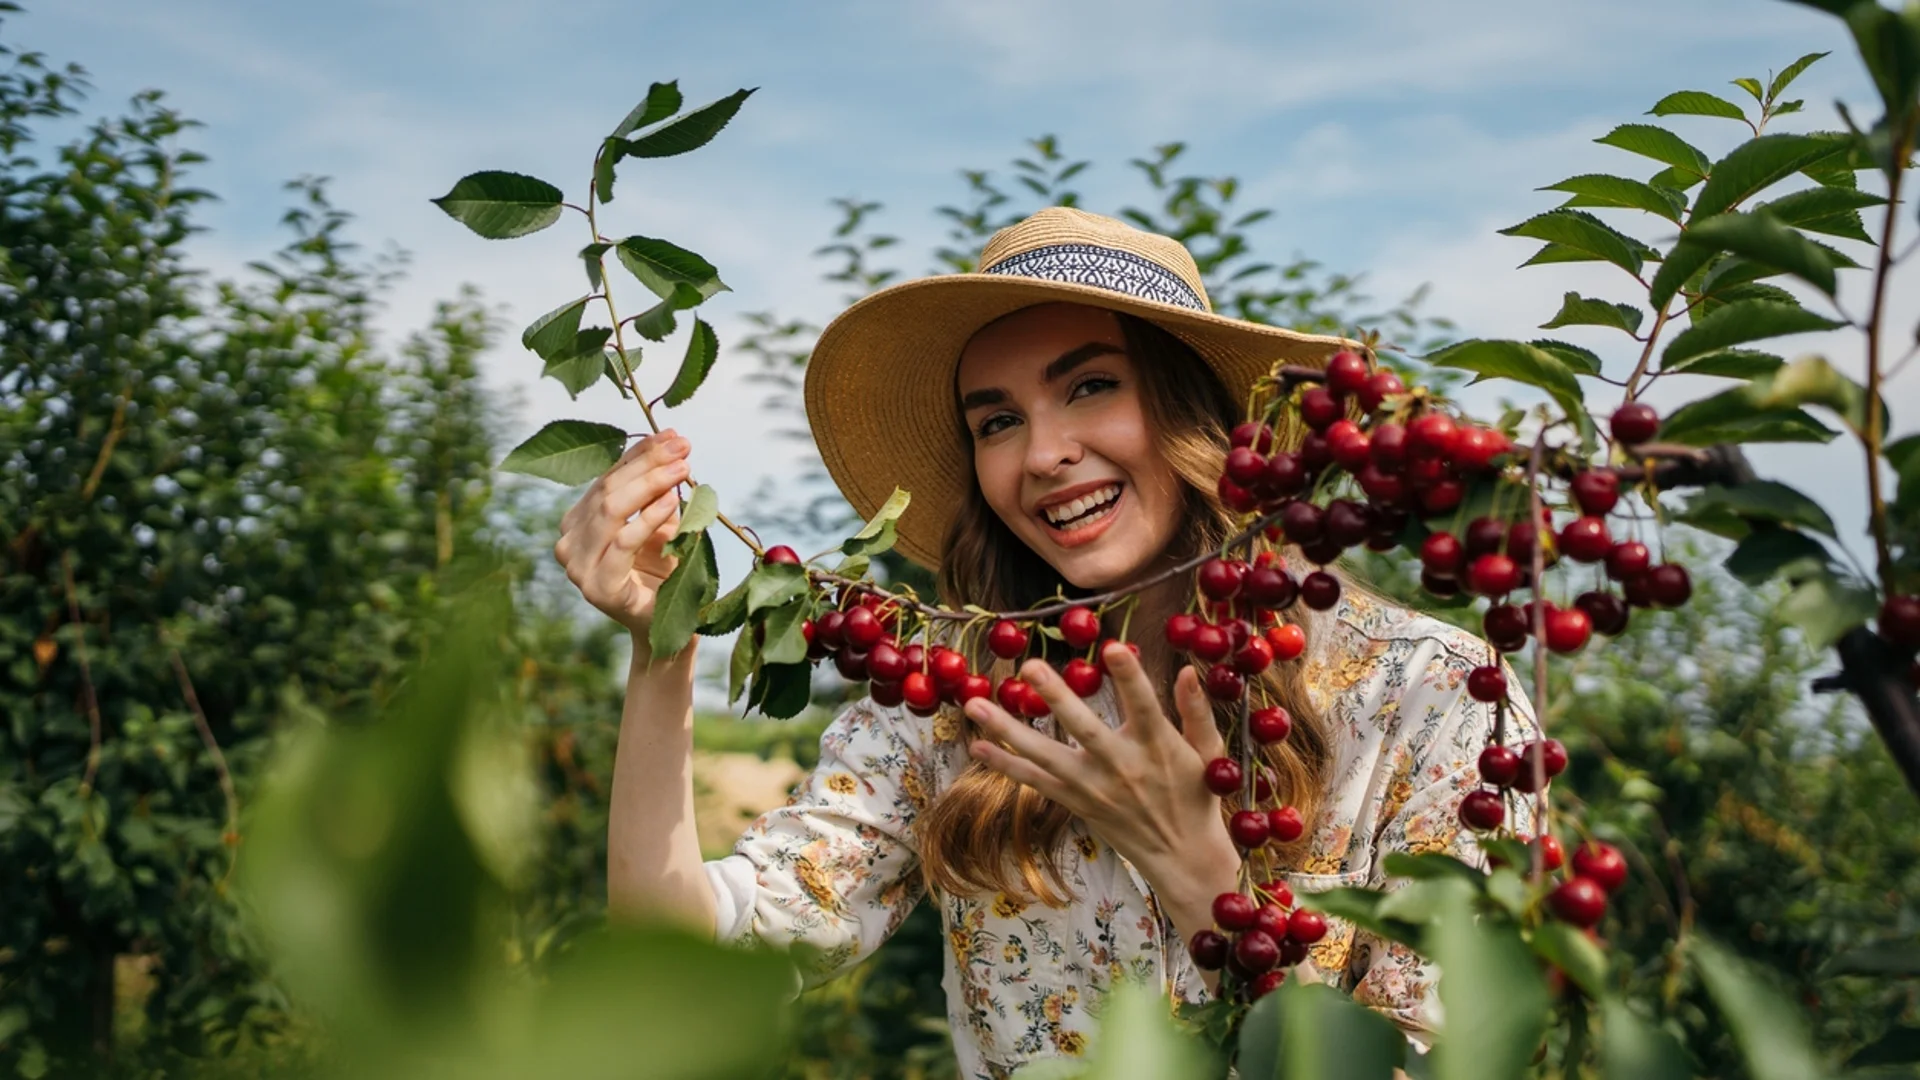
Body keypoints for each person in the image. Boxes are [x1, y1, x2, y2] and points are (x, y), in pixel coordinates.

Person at [553, 207, 1538, 1079]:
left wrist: (1211, 892)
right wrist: (664, 648)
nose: (1043, 453)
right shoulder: (962, 707)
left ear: (1195, 411)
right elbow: (681, 952)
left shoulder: (1430, 697)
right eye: (996, 421)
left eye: (1091, 386)